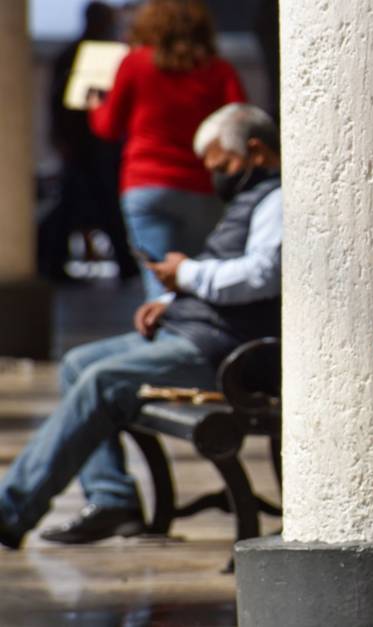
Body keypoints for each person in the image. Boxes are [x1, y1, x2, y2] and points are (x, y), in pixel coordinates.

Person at [0, 104, 281, 548]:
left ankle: (10, 509)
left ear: (256, 152)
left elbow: (264, 273)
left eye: (224, 166)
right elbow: (226, 267)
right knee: (77, 363)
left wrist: (186, 274)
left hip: (222, 348)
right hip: (193, 328)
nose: (218, 178)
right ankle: (114, 500)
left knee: (103, 380)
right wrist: (171, 299)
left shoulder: (276, 199)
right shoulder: (249, 199)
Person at [89, 0, 246, 299]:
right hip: (202, 185)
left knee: (160, 290)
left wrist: (96, 107)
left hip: (146, 185)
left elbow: (108, 127)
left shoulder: (135, 63)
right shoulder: (218, 70)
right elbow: (239, 119)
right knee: (201, 282)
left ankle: (166, 342)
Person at [39, 1, 139, 282]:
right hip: (89, 143)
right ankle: (58, 262)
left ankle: (58, 262)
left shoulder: (88, 52)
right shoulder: (89, 53)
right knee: (92, 205)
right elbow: (79, 103)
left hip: (92, 142)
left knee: (85, 204)